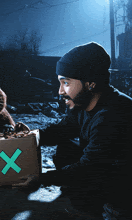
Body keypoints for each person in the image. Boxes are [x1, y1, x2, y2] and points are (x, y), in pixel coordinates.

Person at [13, 42, 132, 219]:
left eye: (66, 83)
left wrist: (42, 179)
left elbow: (90, 167)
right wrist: (27, 137)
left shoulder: (113, 114)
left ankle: (116, 208)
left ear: (90, 83)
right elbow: (60, 131)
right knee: (66, 147)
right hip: (103, 171)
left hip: (123, 183)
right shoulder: (83, 105)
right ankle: (88, 198)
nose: (60, 91)